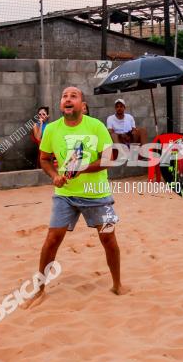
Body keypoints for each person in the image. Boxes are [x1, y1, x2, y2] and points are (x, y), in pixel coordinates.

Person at [32, 86, 125, 304]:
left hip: (97, 193)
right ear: (60, 103)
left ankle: (117, 285)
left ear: (82, 105)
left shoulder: (96, 127)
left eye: (73, 96)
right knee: (52, 240)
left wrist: (81, 168)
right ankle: (40, 289)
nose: (68, 99)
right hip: (65, 194)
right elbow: (44, 159)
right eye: (64, 96)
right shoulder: (52, 129)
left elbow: (109, 159)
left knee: (109, 239)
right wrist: (54, 175)